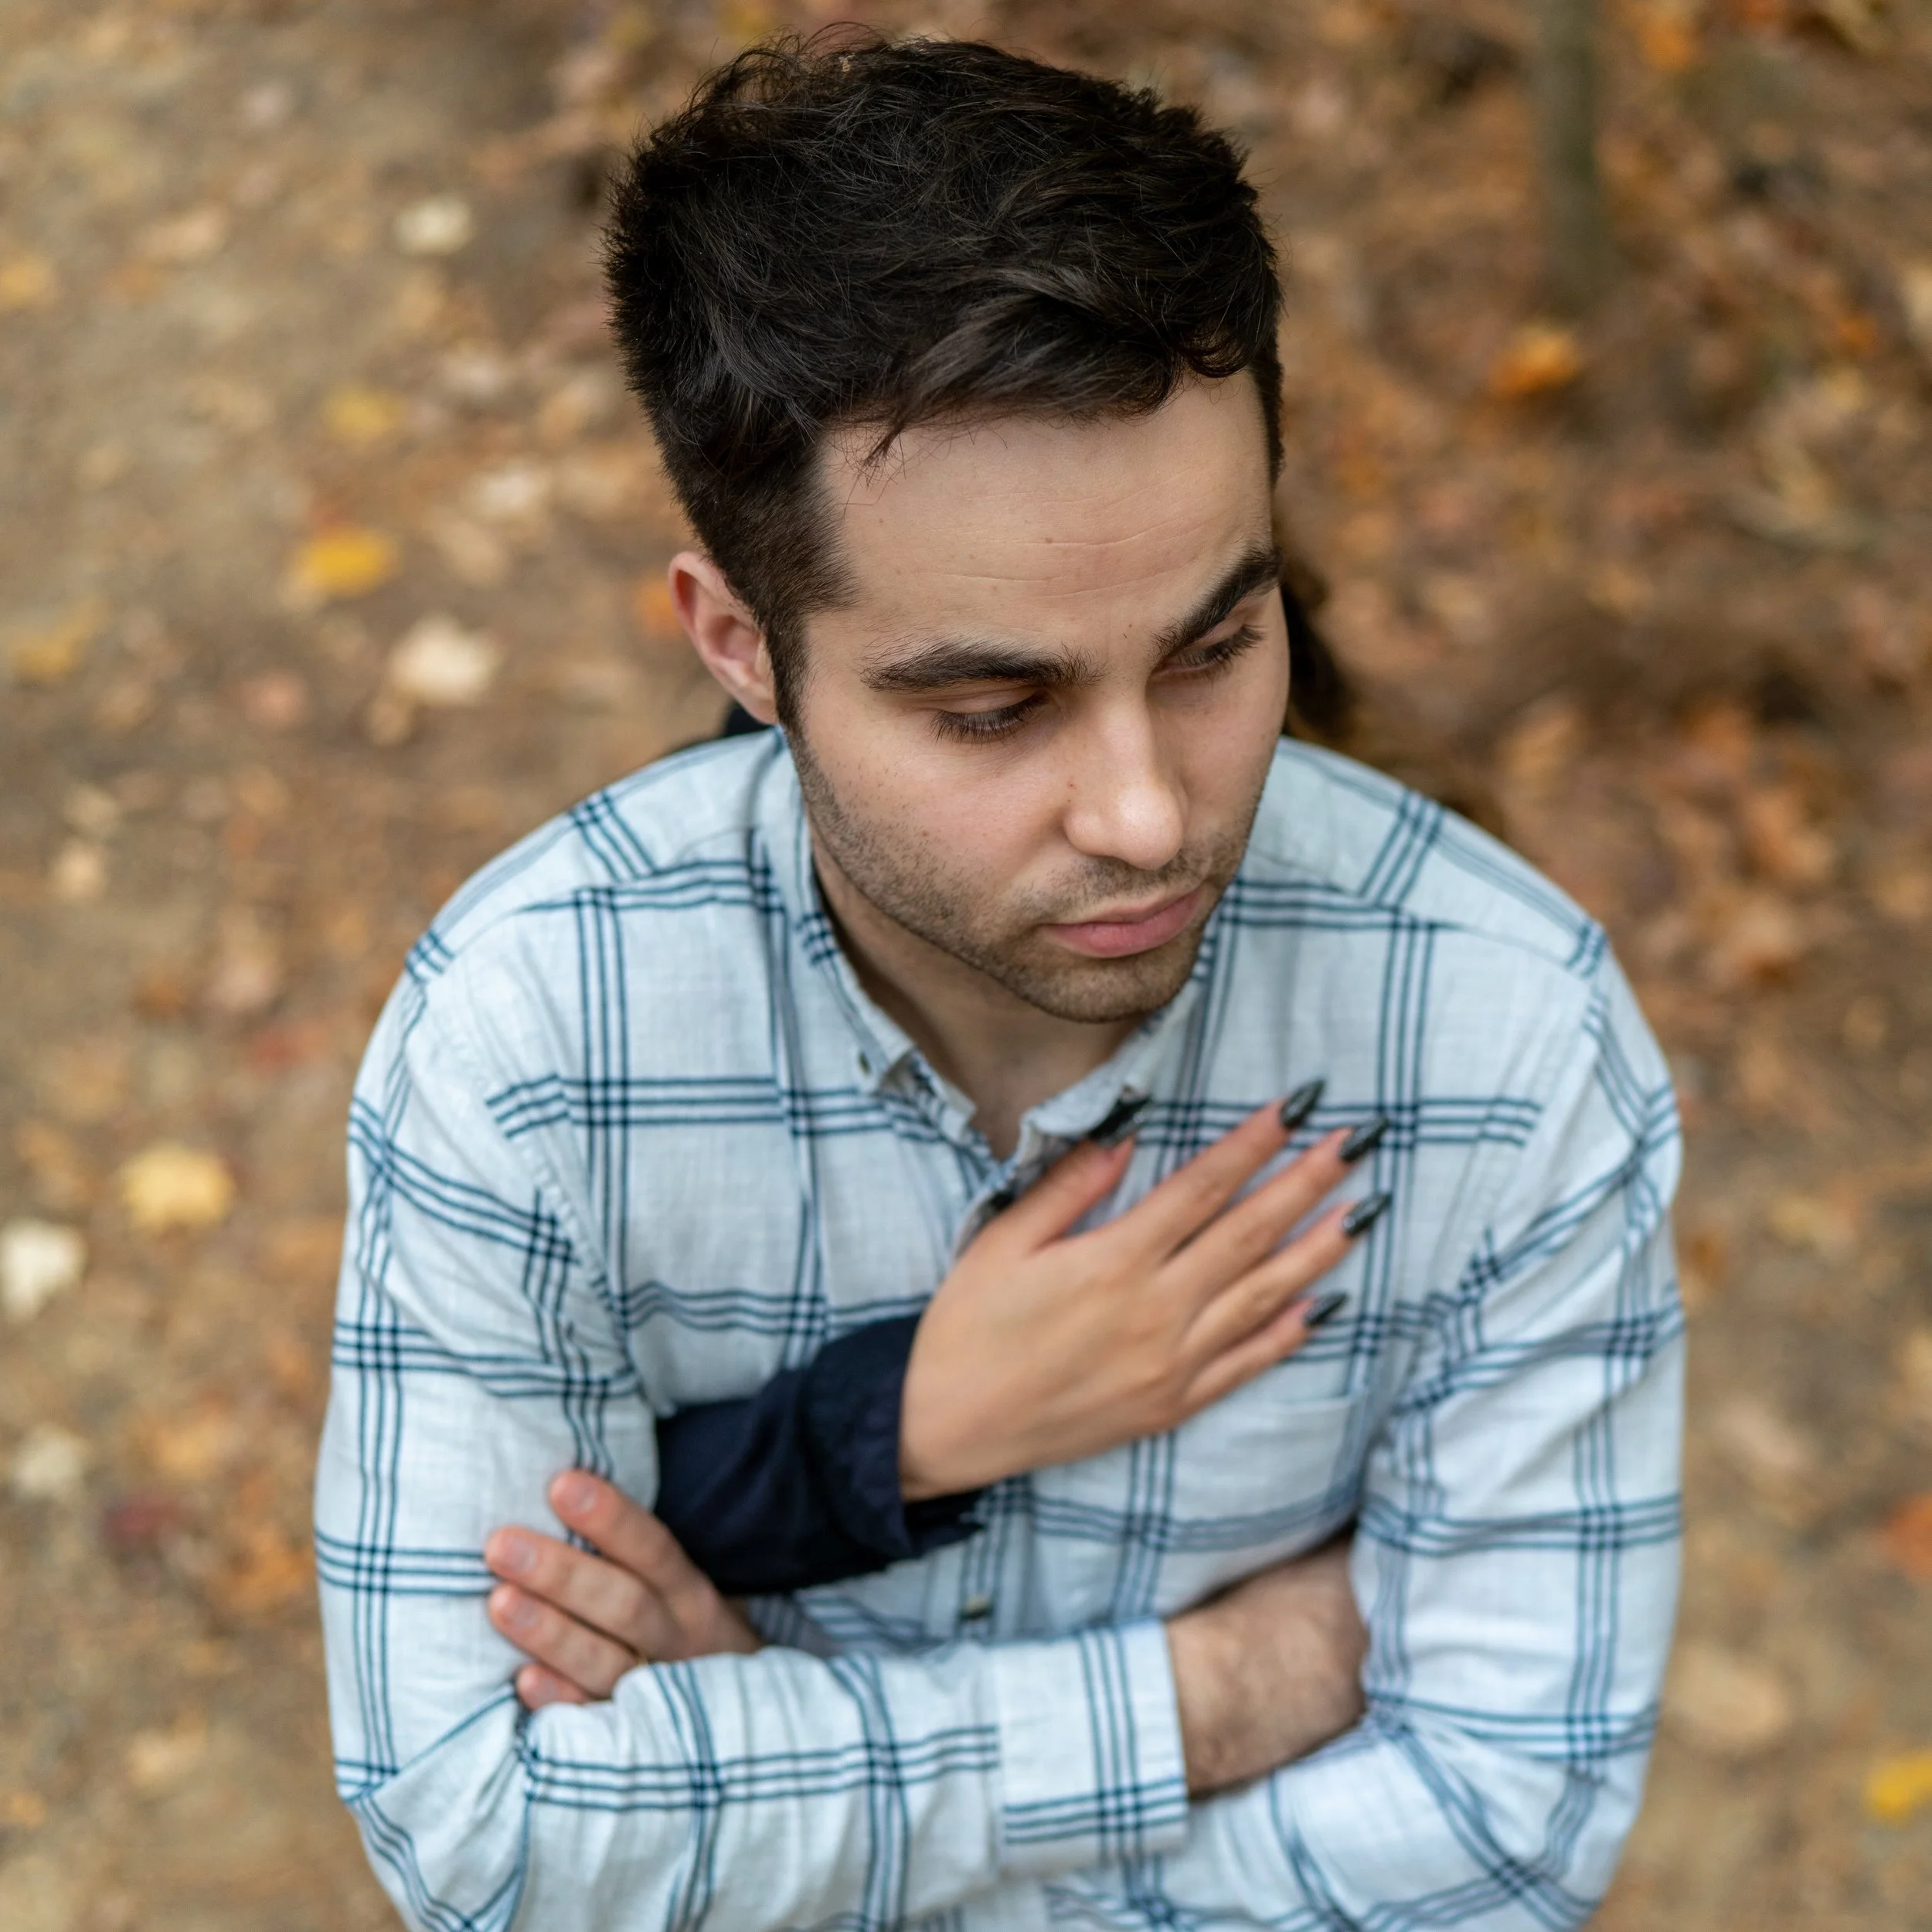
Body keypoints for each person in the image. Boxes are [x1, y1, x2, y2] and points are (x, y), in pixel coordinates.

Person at [315, 35, 1684, 1932]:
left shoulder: (1506, 1037)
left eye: (1213, 647)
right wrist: (1221, 1691)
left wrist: (763, 1784)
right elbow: (478, 1836)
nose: (1144, 812)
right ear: (739, 640)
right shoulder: (529, 1041)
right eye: (993, 706)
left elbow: (1503, 1837)